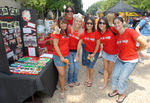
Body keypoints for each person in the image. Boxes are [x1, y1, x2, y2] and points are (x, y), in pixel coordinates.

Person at [108, 17, 147, 103]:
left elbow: (144, 44)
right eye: (115, 23)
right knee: (114, 75)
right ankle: (116, 90)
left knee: (122, 78)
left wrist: (137, 51)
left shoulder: (130, 32)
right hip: (120, 58)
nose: (117, 25)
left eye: (118, 22)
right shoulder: (117, 35)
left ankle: (122, 94)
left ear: (123, 23)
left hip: (131, 60)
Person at [75, 17, 100, 87]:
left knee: (91, 66)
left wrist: (94, 54)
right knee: (87, 65)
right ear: (85, 24)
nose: (89, 25)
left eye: (91, 23)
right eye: (88, 23)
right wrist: (77, 54)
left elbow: (98, 44)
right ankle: (88, 78)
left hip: (95, 52)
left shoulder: (96, 32)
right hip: (87, 51)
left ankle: (91, 80)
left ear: (93, 24)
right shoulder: (83, 32)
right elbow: (80, 43)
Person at [97, 17, 118, 90]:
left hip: (114, 53)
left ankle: (108, 78)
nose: (102, 24)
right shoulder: (99, 33)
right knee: (105, 68)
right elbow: (98, 44)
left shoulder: (112, 29)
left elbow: (121, 33)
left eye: (103, 23)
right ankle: (104, 83)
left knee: (110, 70)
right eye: (100, 23)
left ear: (106, 24)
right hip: (105, 52)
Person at [52, 16, 69, 99]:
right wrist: (61, 57)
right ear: (59, 24)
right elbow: (55, 45)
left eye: (64, 22)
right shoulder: (57, 32)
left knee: (62, 73)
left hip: (66, 55)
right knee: (62, 74)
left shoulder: (66, 32)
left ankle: (62, 84)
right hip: (59, 56)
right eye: (61, 23)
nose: (63, 25)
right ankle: (62, 90)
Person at [68, 14, 84, 87]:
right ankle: (70, 80)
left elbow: (79, 44)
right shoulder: (69, 28)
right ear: (74, 21)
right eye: (76, 21)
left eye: (79, 22)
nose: (78, 23)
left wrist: (77, 55)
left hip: (75, 52)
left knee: (76, 67)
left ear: (81, 23)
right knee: (71, 67)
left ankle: (75, 79)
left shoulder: (81, 32)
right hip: (68, 51)